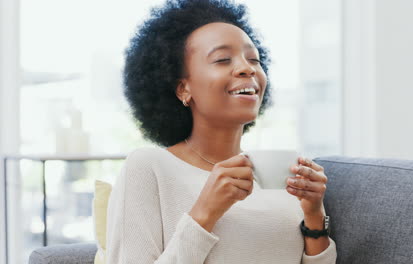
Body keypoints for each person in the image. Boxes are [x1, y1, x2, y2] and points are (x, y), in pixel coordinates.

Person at [105, 0, 337, 263]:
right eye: (222, 59)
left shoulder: (277, 174)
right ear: (183, 89)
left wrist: (314, 214)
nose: (247, 68)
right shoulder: (149, 167)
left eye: (254, 59)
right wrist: (205, 212)